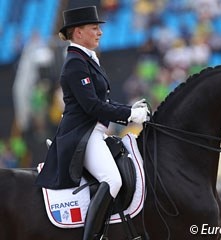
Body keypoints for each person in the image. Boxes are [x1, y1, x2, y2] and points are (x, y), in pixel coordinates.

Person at [35, 6, 149, 240]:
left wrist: (130, 109)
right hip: (82, 135)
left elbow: (102, 100)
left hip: (95, 132)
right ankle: (92, 236)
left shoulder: (86, 60)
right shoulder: (75, 64)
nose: (100, 33)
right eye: (94, 28)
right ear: (78, 32)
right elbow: (93, 106)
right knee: (112, 180)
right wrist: (129, 115)